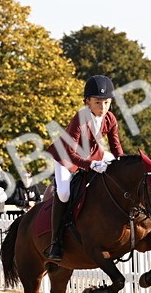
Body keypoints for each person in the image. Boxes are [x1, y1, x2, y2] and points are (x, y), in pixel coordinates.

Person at [43, 75, 125, 259]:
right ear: (87, 101)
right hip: (66, 158)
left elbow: (116, 147)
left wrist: (123, 165)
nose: (102, 107)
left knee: (113, 166)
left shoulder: (110, 118)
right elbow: (71, 153)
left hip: (93, 155)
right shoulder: (81, 118)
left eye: (106, 102)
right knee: (64, 193)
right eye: (97, 102)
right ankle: (56, 241)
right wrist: (91, 165)